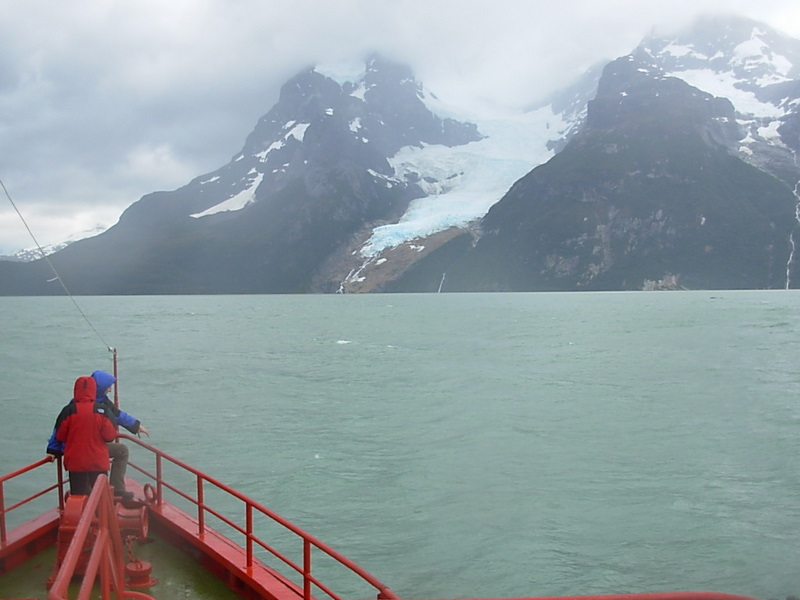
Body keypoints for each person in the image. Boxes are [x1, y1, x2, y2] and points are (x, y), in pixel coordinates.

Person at [48, 376, 117, 495]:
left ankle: (80, 512)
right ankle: (99, 513)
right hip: (97, 460)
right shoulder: (102, 410)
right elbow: (110, 436)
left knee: (78, 496)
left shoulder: (68, 411)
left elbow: (60, 436)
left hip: (75, 462)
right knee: (100, 497)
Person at [91, 370, 150, 500]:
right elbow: (118, 416)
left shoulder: (75, 404)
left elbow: (60, 426)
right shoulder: (102, 404)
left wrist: (54, 450)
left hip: (78, 450)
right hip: (96, 447)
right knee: (122, 451)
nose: (110, 390)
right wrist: (136, 426)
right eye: (108, 386)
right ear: (101, 388)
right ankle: (117, 489)